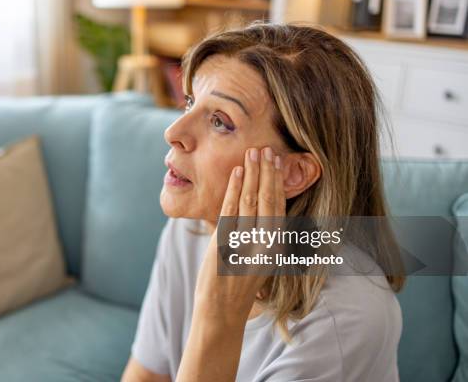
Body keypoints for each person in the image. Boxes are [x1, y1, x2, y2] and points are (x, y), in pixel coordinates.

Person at [121, 21, 405, 382]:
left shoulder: (345, 319)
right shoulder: (192, 226)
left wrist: (219, 315)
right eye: (191, 100)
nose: (173, 132)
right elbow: (146, 374)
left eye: (221, 122)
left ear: (293, 174)